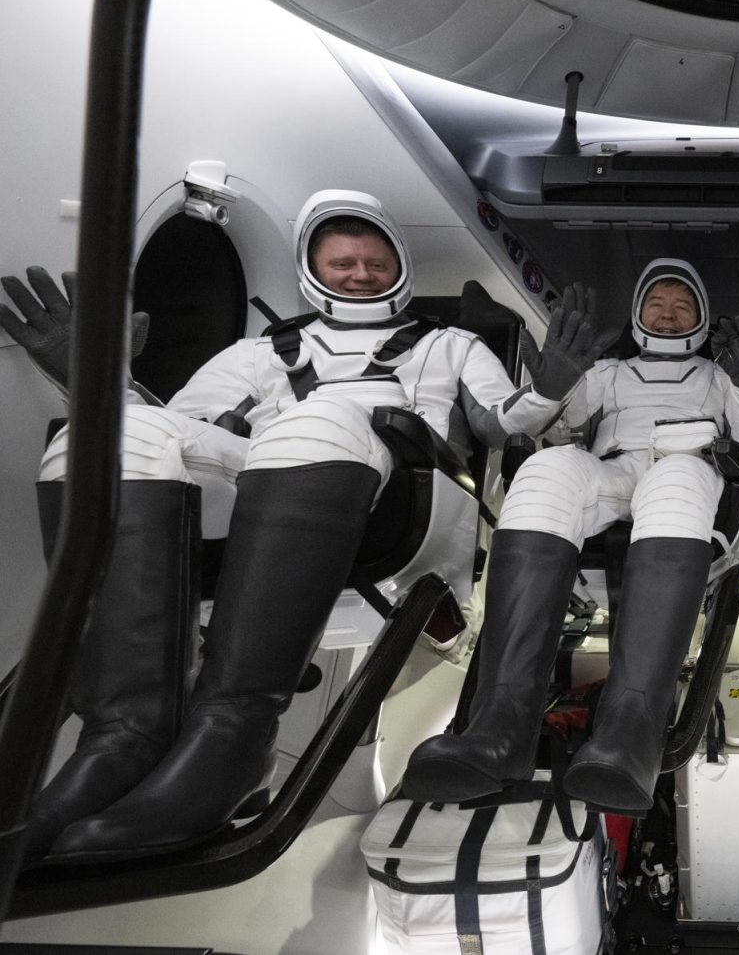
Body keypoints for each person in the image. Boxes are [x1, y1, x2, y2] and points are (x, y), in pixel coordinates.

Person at [0, 189, 545, 860]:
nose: (361, 274)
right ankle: (125, 734)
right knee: (109, 433)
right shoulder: (261, 352)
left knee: (316, 420)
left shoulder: (449, 344)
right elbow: (182, 430)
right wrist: (97, 381)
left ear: (398, 265)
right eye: (343, 262)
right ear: (312, 268)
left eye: (374, 261)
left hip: (413, 503)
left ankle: (235, 734)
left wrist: (551, 387)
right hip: (276, 483)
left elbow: (502, 420)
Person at [401, 258, 739, 815]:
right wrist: (557, 376)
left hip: (687, 468)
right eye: (657, 305)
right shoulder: (609, 372)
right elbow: (552, 428)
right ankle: (499, 728)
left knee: (676, 478)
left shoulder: (719, 375)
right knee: (544, 472)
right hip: (613, 469)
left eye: (682, 307)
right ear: (639, 313)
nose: (669, 317)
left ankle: (630, 735)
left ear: (701, 318)